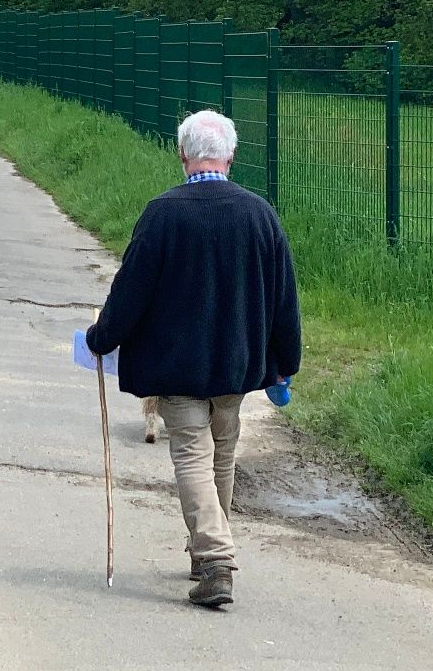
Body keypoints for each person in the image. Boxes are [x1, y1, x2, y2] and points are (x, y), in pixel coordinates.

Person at [84, 108, 300, 611]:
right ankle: (208, 554)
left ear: (182, 155)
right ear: (231, 156)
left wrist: (101, 337)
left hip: (177, 365)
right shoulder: (259, 214)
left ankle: (215, 556)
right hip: (236, 365)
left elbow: (130, 290)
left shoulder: (162, 214)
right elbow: (284, 298)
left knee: (192, 456)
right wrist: (285, 361)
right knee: (220, 454)